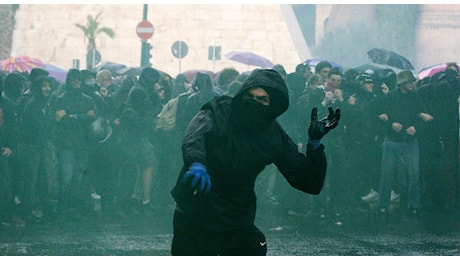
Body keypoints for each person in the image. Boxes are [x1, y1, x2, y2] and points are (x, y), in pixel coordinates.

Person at [170, 69, 340, 256]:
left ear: (272, 106)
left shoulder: (274, 136)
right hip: (196, 208)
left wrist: (315, 144)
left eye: (262, 100)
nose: (253, 103)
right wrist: (197, 163)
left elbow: (308, 182)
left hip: (236, 215)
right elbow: (195, 136)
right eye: (249, 96)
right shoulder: (219, 110)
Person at [377, 70, 433, 215]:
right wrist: (391, 124)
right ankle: (383, 204)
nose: (413, 84)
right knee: (387, 174)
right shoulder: (390, 98)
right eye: (410, 82)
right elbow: (380, 118)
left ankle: (415, 204)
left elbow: (423, 118)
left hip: (410, 141)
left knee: (414, 173)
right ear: (402, 83)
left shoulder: (416, 98)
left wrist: (416, 128)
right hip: (392, 141)